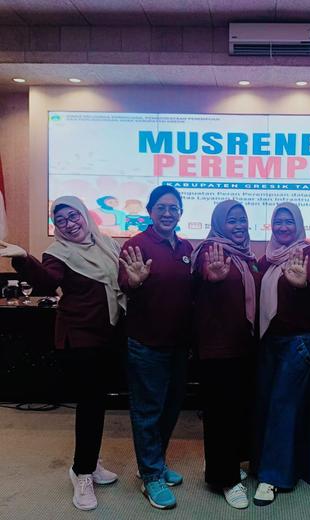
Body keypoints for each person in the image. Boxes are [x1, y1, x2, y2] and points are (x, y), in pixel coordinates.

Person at [0, 195, 126, 511]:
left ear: (85, 215)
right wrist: (23, 259)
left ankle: (91, 462)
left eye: (73, 216)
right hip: (79, 338)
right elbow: (47, 281)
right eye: (61, 221)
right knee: (90, 405)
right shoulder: (58, 253)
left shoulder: (106, 245)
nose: (69, 224)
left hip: (107, 336)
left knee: (97, 403)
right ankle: (81, 472)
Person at [118, 185, 192, 510]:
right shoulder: (136, 244)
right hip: (146, 344)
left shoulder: (186, 247)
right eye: (161, 207)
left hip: (179, 344)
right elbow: (124, 282)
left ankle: (155, 463)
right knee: (148, 412)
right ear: (150, 211)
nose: (167, 213)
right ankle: (150, 476)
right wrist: (134, 281)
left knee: (171, 409)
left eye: (173, 207)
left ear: (181, 212)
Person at [253, 202, 310, 506]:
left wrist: (302, 281)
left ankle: (273, 477)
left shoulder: (309, 252)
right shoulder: (266, 259)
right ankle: (301, 467)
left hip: (298, 342)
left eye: (289, 221)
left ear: (299, 224)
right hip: (270, 341)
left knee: (283, 407)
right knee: (273, 406)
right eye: (278, 221)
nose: (283, 227)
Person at [191, 200, 259, 510]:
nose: (239, 225)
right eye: (231, 220)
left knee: (236, 412)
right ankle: (225, 479)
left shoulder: (246, 256)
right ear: (219, 223)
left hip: (242, 346)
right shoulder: (211, 251)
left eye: (242, 219)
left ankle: (224, 464)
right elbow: (201, 276)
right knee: (221, 415)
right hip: (217, 348)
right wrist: (212, 276)